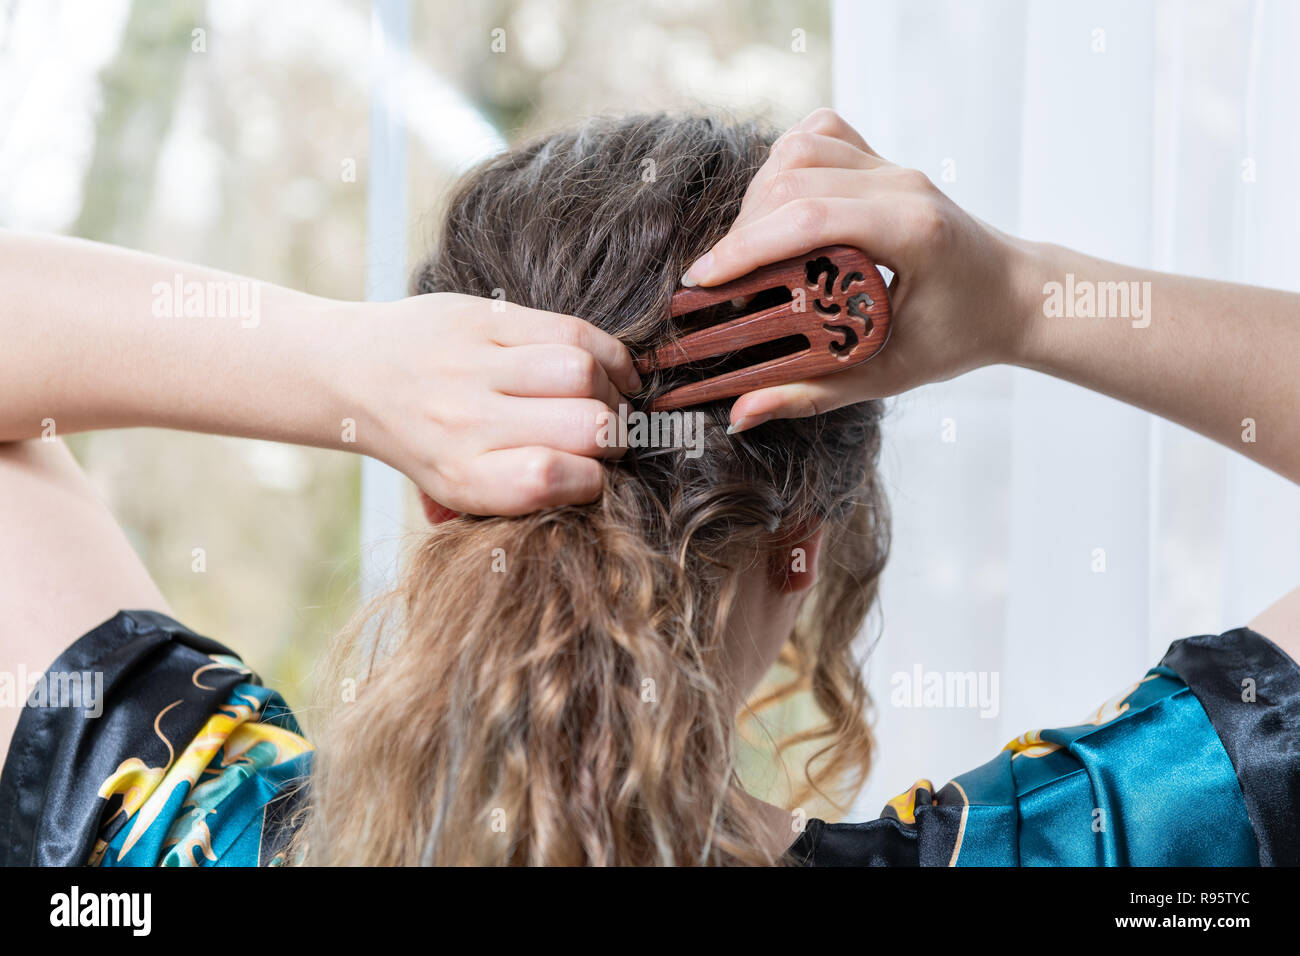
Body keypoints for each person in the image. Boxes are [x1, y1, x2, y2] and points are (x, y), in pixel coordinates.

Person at [1, 110, 1297, 866]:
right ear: (810, 546)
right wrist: (1022, 298)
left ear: (440, 495)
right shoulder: (1078, 847)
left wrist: (334, 366)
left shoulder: (180, 824)